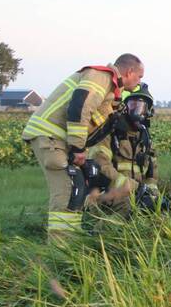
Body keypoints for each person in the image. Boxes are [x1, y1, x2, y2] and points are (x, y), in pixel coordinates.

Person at [21, 54, 144, 242]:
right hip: (50, 136)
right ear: (130, 72)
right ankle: (60, 252)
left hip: (57, 140)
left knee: (77, 188)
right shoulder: (101, 78)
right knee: (69, 191)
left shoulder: (110, 91)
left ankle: (72, 241)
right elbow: (80, 107)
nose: (139, 82)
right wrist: (78, 148)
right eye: (139, 77)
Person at [87, 83, 160, 212]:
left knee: (161, 209)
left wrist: (151, 193)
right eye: (133, 105)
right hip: (107, 196)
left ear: (148, 111)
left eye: (141, 107)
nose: (137, 111)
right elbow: (101, 166)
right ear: (124, 108)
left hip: (135, 196)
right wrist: (135, 189)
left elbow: (151, 174)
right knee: (129, 210)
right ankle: (99, 230)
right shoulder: (110, 133)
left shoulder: (145, 139)